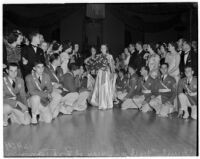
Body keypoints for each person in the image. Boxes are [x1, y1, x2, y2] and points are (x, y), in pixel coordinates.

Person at [90, 44, 116, 110]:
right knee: (100, 88)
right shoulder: (98, 56)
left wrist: (113, 73)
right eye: (101, 48)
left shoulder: (110, 56)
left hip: (106, 73)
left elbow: (112, 65)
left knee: (106, 87)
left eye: (104, 48)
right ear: (100, 49)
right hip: (100, 73)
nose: (103, 49)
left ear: (106, 48)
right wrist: (95, 69)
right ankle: (101, 103)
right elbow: (95, 65)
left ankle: (107, 103)